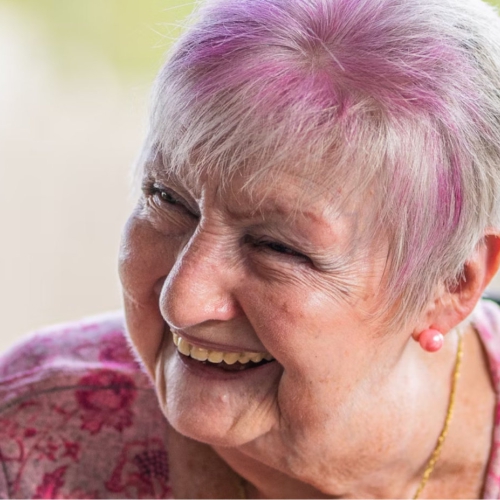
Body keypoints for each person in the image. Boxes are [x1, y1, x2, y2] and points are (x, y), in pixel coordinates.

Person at [2, 0, 500, 497]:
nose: (183, 302)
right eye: (167, 199)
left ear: (451, 284)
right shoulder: (32, 428)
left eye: (277, 247)